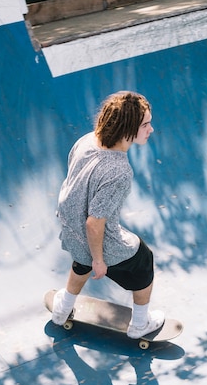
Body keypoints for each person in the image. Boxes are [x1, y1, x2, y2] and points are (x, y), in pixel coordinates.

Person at [50, 91, 164, 338]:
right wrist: (99, 261)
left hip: (70, 228)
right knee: (143, 260)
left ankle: (62, 309)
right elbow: (94, 224)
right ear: (127, 129)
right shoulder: (119, 171)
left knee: (80, 261)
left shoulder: (87, 140)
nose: (151, 129)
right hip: (95, 240)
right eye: (145, 124)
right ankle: (140, 324)